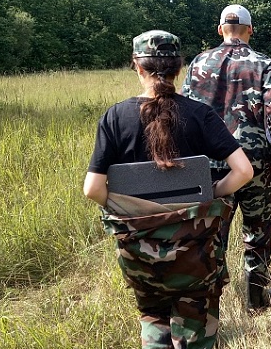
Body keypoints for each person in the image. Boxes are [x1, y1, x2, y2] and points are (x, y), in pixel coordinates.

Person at [83, 30, 254, 349]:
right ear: (179, 68)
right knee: (197, 335)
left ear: (137, 66)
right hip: (196, 256)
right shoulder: (200, 114)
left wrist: (133, 211)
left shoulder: (114, 118)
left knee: (154, 322)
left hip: (140, 256)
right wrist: (213, 193)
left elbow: (93, 189)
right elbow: (244, 171)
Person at [181, 5, 271, 314]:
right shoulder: (263, 64)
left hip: (210, 166)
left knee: (211, 237)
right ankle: (255, 301)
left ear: (220, 29)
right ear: (250, 30)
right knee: (257, 234)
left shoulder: (198, 63)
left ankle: (207, 311)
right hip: (255, 164)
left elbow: (183, 114)